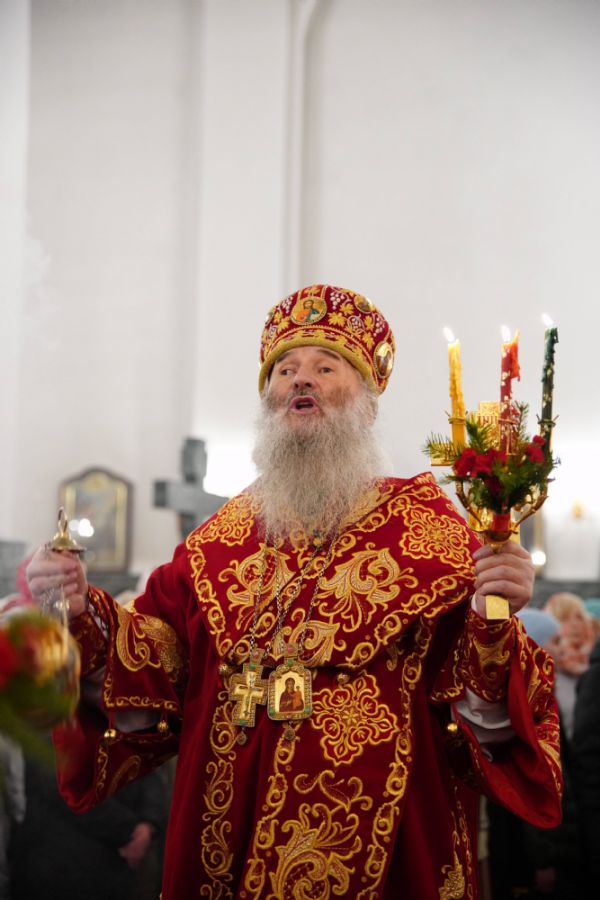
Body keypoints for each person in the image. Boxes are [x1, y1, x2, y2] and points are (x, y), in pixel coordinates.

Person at [25, 284, 561, 899]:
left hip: (385, 854)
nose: (300, 379)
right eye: (285, 370)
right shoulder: (216, 543)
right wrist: (80, 612)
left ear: (367, 404)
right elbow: (152, 661)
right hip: (224, 846)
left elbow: (483, 715)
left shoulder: (431, 535)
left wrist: (495, 611)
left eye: (326, 367)